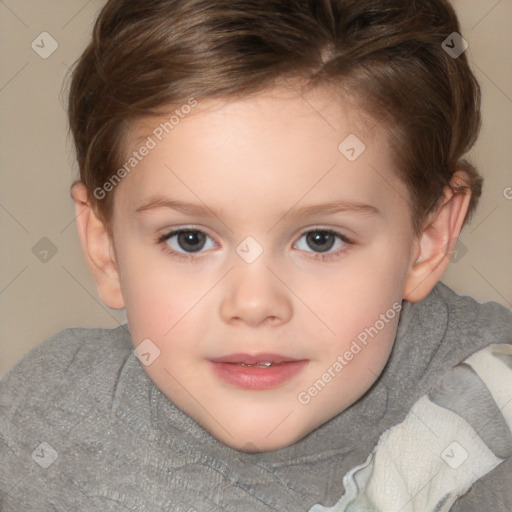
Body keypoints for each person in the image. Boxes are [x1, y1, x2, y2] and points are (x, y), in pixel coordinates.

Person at [1, 0, 511, 510]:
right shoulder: (50, 418)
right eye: (190, 240)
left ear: (428, 237)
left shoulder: (491, 423)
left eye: (320, 240)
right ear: (105, 246)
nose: (253, 303)